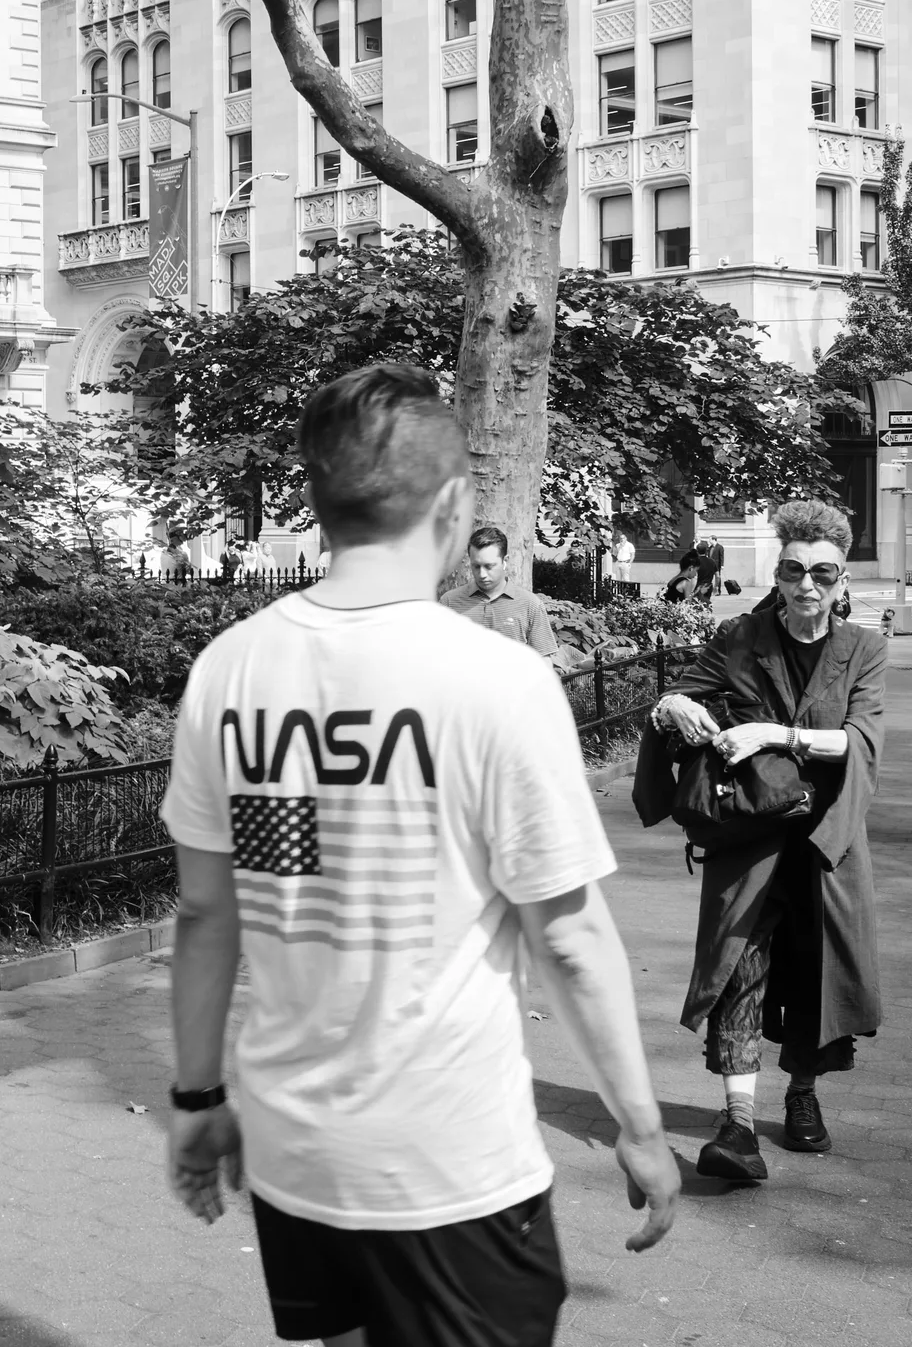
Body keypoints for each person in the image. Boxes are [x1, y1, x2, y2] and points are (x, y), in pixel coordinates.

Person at [161, 362, 679, 1347]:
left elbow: (204, 914)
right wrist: (642, 1126)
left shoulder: (229, 671)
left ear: (317, 501)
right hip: (451, 1168)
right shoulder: (496, 682)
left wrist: (195, 1097)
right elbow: (566, 939)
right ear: (451, 506)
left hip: (295, 1153)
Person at [633, 499, 886, 1183]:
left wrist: (773, 734)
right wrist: (675, 706)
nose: (808, 586)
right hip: (749, 838)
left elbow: (860, 741)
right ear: (777, 573)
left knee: (816, 972)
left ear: (842, 580)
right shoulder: (742, 636)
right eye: (794, 570)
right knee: (738, 967)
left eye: (824, 573)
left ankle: (803, 1096)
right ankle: (737, 1126)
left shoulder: (864, 648)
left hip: (826, 845)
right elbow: (677, 698)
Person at [439, 525, 562, 666]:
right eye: (476, 566)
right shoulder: (449, 602)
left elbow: (544, 662)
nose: (482, 574)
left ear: (505, 561)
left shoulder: (530, 605)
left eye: (489, 566)